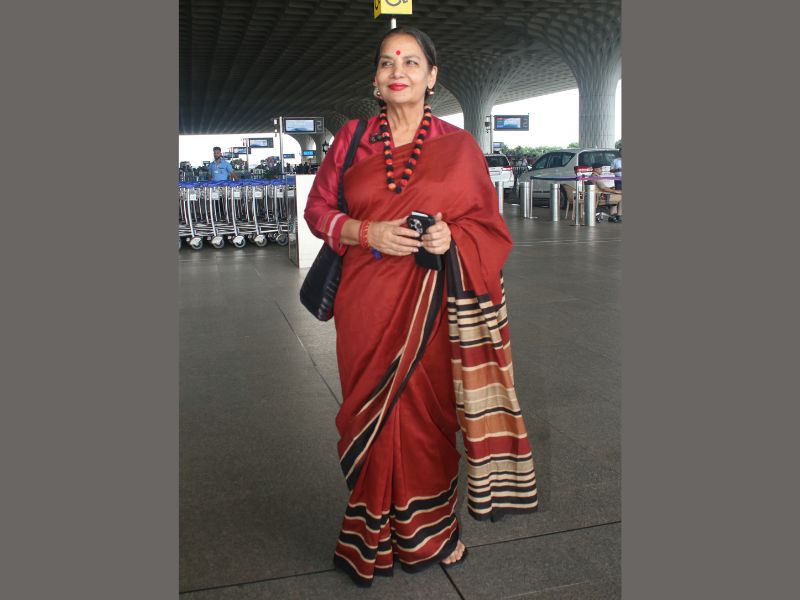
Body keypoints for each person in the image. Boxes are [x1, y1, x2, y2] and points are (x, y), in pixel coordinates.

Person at [304, 26, 539, 588]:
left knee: (428, 422)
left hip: (433, 309)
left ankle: (432, 532)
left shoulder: (460, 147)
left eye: (411, 61)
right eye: (387, 62)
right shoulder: (353, 139)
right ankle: (372, 536)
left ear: (432, 77)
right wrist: (367, 232)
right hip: (366, 305)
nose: (398, 71)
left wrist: (450, 237)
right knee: (370, 414)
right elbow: (317, 211)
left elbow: (488, 227)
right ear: (375, 80)